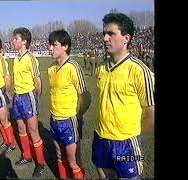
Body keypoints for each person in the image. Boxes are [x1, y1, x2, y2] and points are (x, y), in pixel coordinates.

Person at [93, 13, 155, 179]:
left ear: (126, 38)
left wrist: (132, 135)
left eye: (111, 33)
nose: (105, 38)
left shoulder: (140, 71)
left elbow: (151, 114)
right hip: (100, 138)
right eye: (104, 33)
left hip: (126, 144)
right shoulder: (100, 68)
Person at [47, 29, 91, 179]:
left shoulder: (73, 67)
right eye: (49, 44)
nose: (50, 48)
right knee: (60, 157)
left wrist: (78, 115)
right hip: (54, 119)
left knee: (74, 162)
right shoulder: (51, 69)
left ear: (65, 46)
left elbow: (85, 95)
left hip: (69, 121)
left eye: (54, 45)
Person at [11, 27, 46, 177]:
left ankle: (40, 163)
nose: (13, 41)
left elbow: (38, 81)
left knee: (33, 130)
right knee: (20, 128)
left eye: (16, 38)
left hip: (28, 97)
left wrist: (36, 100)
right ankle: (26, 156)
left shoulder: (30, 58)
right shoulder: (15, 58)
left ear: (24, 41)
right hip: (17, 97)